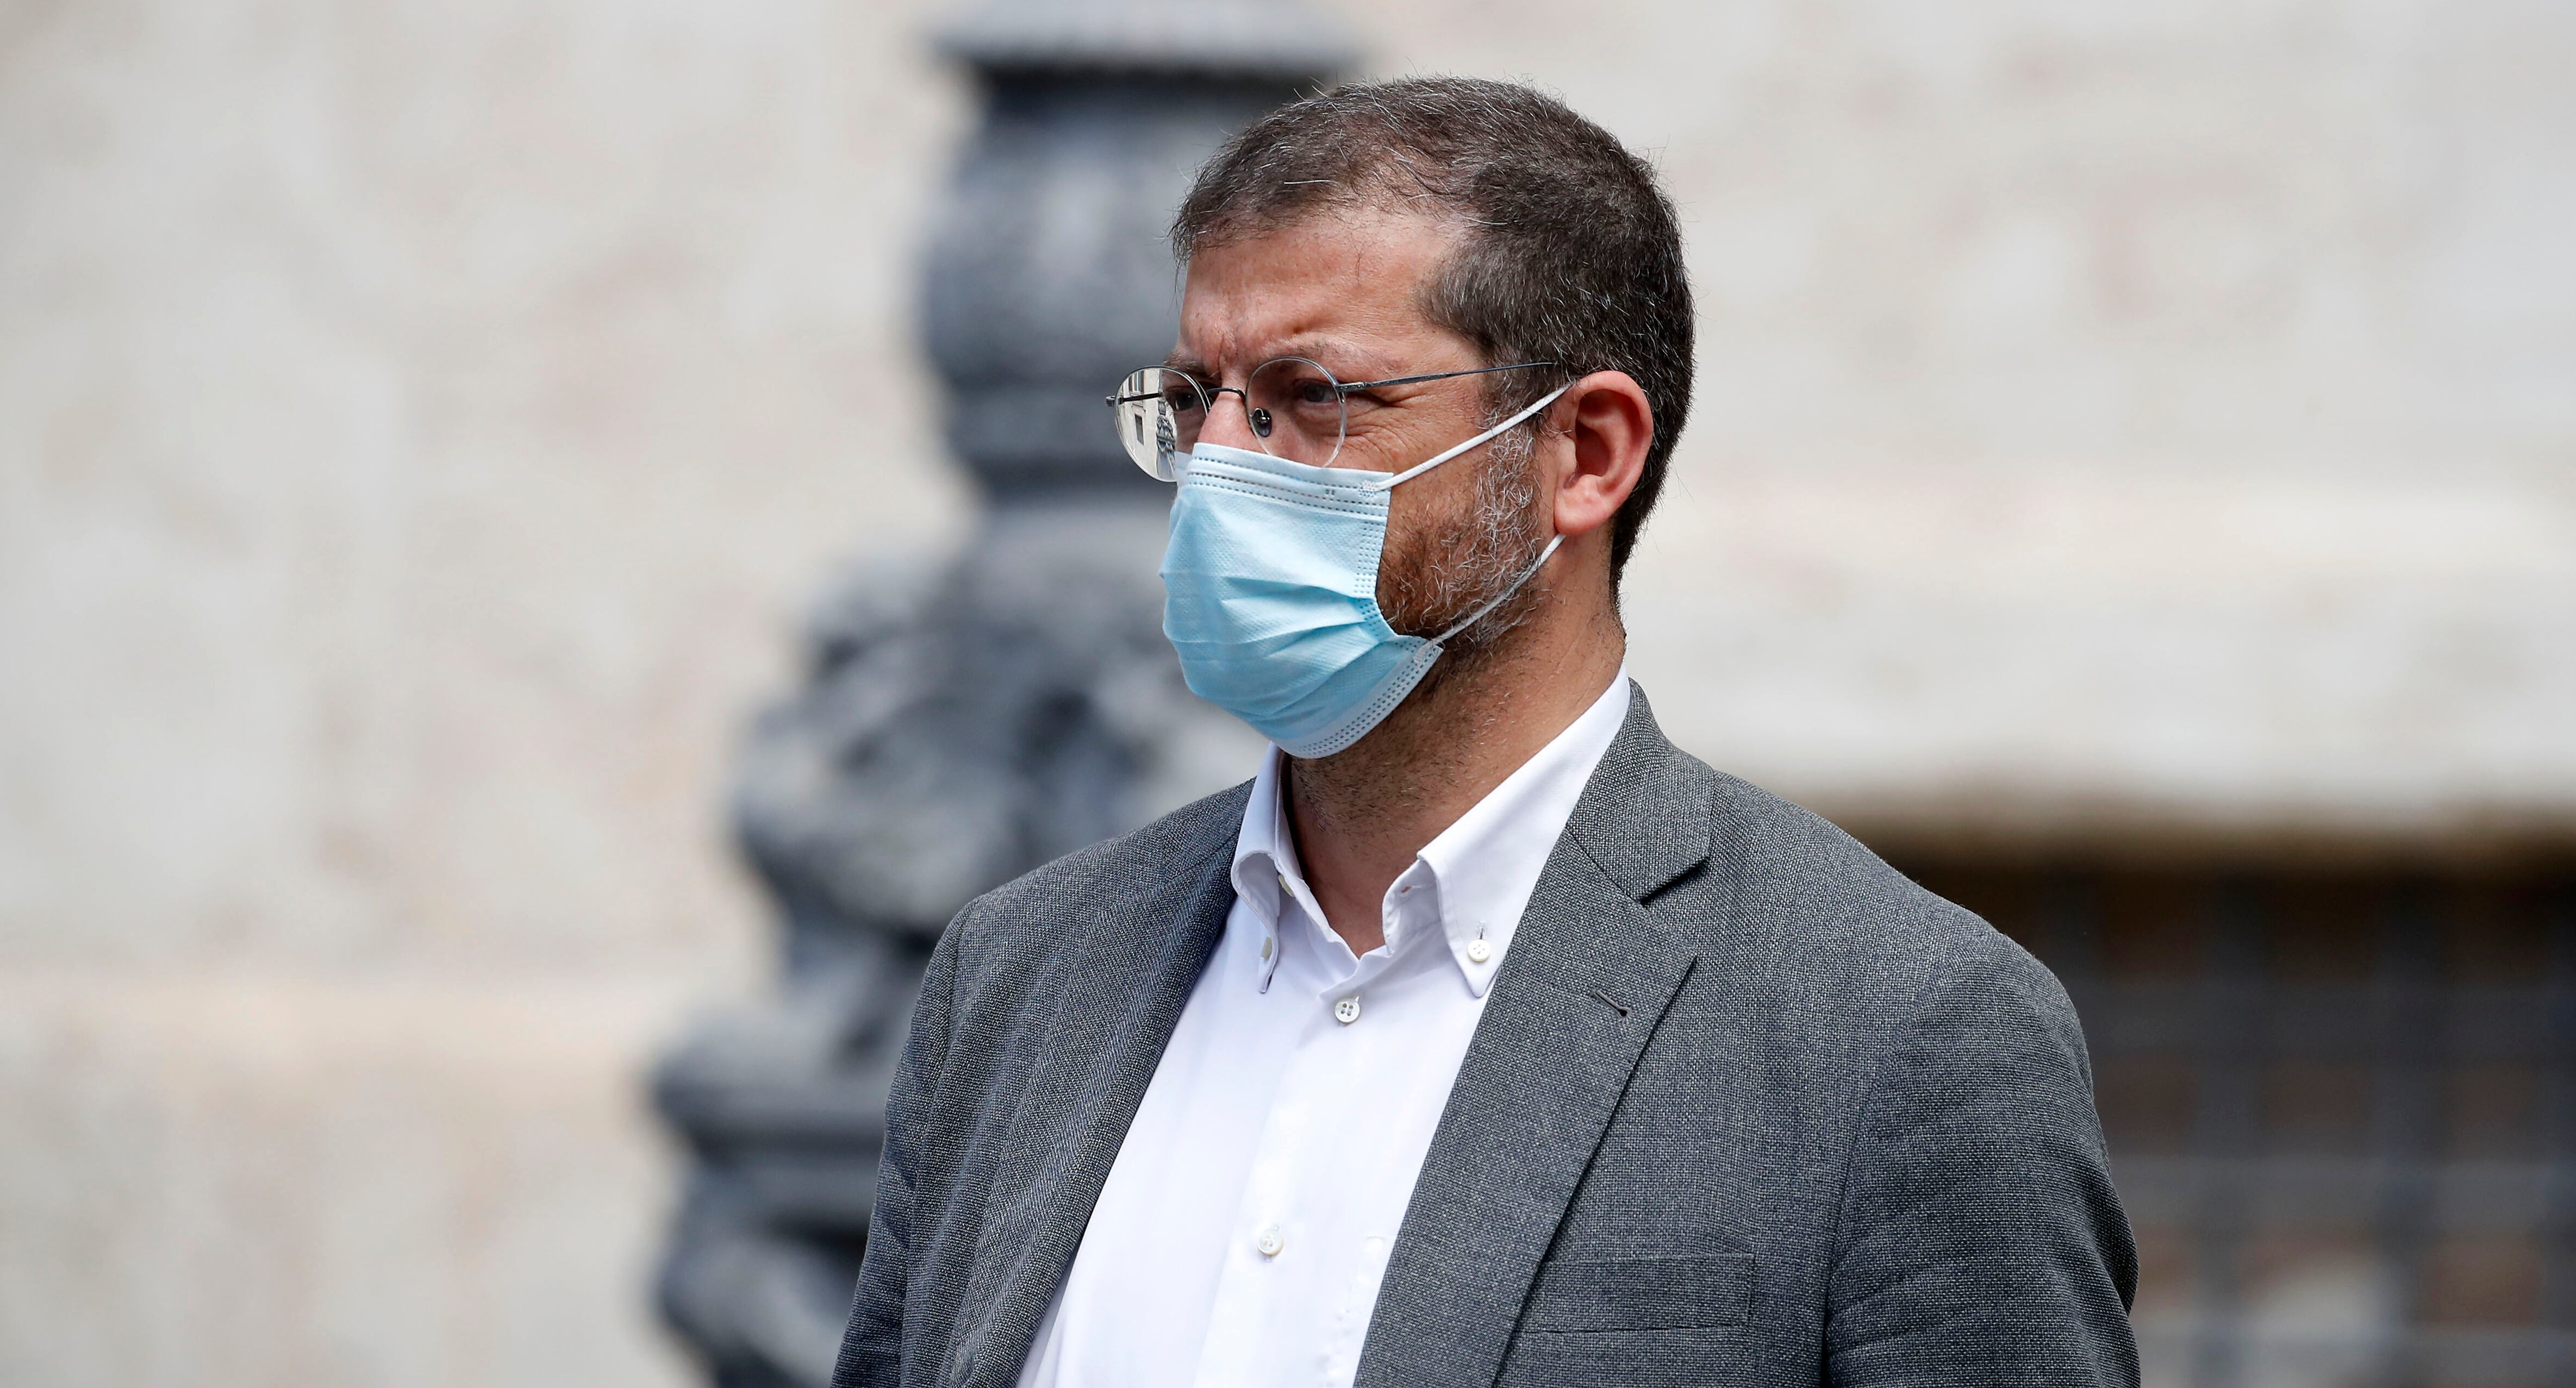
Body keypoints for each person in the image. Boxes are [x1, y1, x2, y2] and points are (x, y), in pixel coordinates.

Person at [832, 78, 2138, 1388]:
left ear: (1586, 452)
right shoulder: (1020, 976)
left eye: (1311, 397)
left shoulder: (1893, 1025)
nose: (1220, 469)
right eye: (1195, 399)